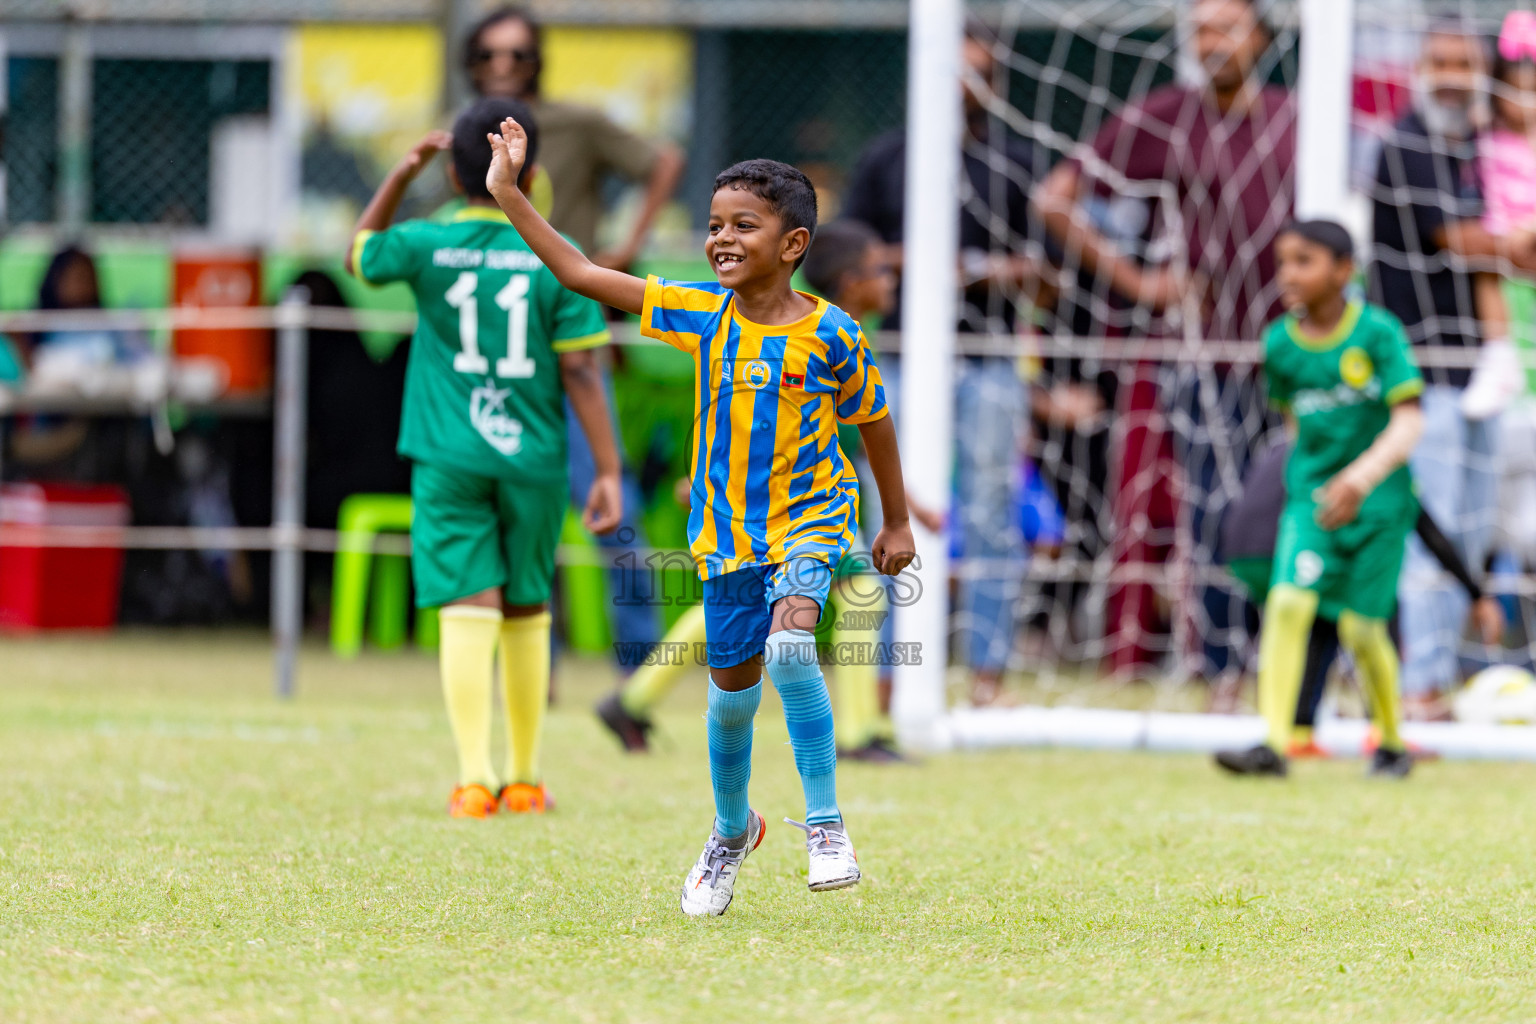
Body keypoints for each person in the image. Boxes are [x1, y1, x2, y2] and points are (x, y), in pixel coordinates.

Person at [485, 117, 915, 914]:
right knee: (730, 699)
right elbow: (581, 272)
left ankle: (825, 826)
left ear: (792, 245)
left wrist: (894, 522)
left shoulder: (832, 334)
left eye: (742, 226)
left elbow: (875, 424)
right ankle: (730, 831)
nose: (721, 239)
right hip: (725, 542)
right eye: (714, 225)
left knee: (793, 648)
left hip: (813, 523)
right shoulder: (698, 313)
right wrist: (510, 195)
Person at [345, 99, 623, 818]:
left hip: (449, 454)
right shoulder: (554, 256)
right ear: (527, 172)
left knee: (467, 604)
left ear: (451, 170)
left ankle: (474, 779)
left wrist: (401, 178)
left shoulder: (426, 243)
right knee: (528, 603)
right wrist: (610, 470)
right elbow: (585, 374)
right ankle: (526, 780)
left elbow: (360, 254)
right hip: (532, 457)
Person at [595, 220, 926, 762]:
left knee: (786, 594)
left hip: (803, 513)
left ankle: (635, 698)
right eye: (878, 270)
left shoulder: (838, 339)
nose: (889, 280)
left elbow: (863, 437)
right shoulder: (804, 334)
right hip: (794, 516)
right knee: (852, 594)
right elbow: (738, 413)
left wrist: (910, 511)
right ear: (849, 282)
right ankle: (859, 732)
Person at [1035, 0, 1294, 690]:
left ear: (1262, 38)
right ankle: (1222, 667)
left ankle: (1298, 663)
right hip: (1203, 359)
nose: (1211, 41)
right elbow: (1055, 197)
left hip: (1295, 353)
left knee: (1297, 505)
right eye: (1200, 29)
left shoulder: (1299, 121)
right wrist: (1139, 281)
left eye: (1226, 27)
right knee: (1216, 511)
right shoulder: (1166, 114)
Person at [464, 4, 685, 677]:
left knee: (612, 511)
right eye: (490, 58)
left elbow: (664, 162)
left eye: (519, 56)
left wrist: (628, 244)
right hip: (501, 356)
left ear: (539, 61)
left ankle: (638, 676)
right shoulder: (466, 134)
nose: (504, 68)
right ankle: (533, 672)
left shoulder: (575, 124)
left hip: (577, 327)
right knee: (515, 524)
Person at [842, 21, 1045, 705]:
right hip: (898, 357)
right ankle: (887, 675)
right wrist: (921, 263)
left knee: (992, 509)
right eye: (953, 74)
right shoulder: (886, 158)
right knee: (886, 510)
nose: (964, 89)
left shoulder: (1015, 163)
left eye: (978, 75)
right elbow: (848, 256)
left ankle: (987, 672)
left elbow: (1042, 269)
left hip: (987, 357)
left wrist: (980, 271)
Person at [1215, 221, 1423, 779]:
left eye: (1304, 261)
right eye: (1283, 261)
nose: (1288, 274)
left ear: (1342, 271)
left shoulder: (1377, 333)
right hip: (1313, 502)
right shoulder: (1278, 343)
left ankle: (1392, 741)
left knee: (1361, 629)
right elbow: (1294, 424)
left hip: (1378, 503)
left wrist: (1361, 477)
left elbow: (1409, 421)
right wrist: (1319, 484)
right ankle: (1274, 744)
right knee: (1287, 603)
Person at [1370, 20, 1536, 718]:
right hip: (1421, 372)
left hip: (1478, 373)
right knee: (1430, 534)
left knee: (1469, 537)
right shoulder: (1406, 145)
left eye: (1462, 64)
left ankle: (1440, 679)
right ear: (1418, 67)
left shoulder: (1476, 149)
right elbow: (1465, 241)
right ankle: (1415, 689)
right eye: (1437, 62)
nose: (1449, 74)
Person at [1222, 440, 1503, 758]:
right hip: (1284, 540)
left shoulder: (1322, 437)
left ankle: (1298, 732)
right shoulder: (1373, 462)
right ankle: (1381, 731)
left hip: (1240, 549)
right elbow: (1428, 530)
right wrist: (1476, 593)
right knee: (1375, 605)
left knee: (1321, 616)